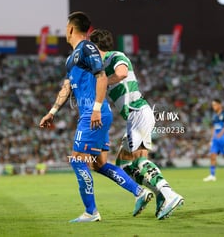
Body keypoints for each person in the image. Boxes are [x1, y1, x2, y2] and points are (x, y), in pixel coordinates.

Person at [39, 11, 152, 223]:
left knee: (77, 160)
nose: (65, 30)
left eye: (66, 27)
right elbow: (66, 88)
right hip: (92, 113)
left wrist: (97, 108)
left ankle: (91, 212)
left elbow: (101, 76)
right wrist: (52, 111)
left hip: (93, 113)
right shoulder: (71, 59)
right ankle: (140, 192)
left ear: (71, 28)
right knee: (99, 164)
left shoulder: (87, 47)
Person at [89, 28, 184, 220]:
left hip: (138, 112)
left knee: (140, 161)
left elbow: (122, 73)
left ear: (96, 46)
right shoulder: (102, 66)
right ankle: (155, 194)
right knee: (123, 163)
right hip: (135, 116)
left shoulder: (116, 56)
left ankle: (168, 194)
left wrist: (105, 82)